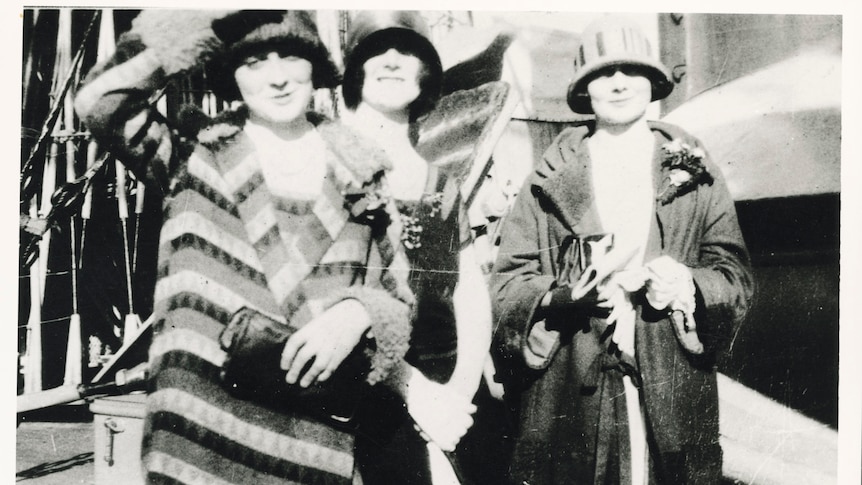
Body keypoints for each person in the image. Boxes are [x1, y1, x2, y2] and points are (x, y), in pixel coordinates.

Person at [75, 10, 428, 484]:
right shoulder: (193, 156)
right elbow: (101, 100)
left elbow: (400, 296)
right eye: (255, 61)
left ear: (314, 67)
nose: (278, 77)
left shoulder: (360, 171)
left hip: (307, 447)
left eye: (292, 56)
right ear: (231, 75)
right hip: (197, 444)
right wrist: (205, 21)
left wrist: (360, 311)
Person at [490, 15, 754, 485]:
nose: (616, 83)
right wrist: (562, 299)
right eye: (600, 74)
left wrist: (687, 286)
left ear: (652, 83)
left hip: (669, 387)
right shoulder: (548, 176)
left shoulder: (693, 169)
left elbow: (732, 275)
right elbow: (507, 283)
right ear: (583, 89)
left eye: (630, 71)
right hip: (569, 386)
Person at [338, 10, 493, 484]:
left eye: (407, 51)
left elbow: (469, 291)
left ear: (426, 73)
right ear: (355, 70)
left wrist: (460, 393)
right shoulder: (328, 164)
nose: (390, 61)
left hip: (451, 395)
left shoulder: (442, 181)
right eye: (374, 50)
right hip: (363, 393)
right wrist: (416, 393)